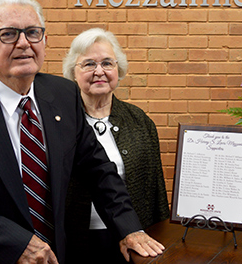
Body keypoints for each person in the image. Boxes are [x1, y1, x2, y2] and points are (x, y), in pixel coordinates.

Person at [0, 0, 164, 264]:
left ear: (45, 41)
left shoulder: (64, 95)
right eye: (8, 34)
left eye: (33, 32)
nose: (24, 43)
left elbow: (98, 170)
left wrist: (129, 228)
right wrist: (15, 242)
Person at [62, 28, 170, 262]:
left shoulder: (139, 120)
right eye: (88, 64)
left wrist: (162, 233)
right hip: (73, 242)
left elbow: (156, 189)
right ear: (74, 72)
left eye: (107, 63)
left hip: (132, 241)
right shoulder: (59, 123)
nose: (99, 71)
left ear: (118, 70)